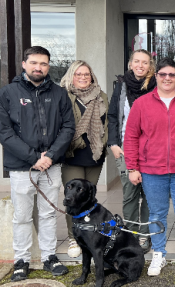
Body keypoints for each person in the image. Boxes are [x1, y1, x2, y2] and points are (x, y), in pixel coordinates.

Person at [0, 46, 75, 282]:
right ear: (24, 64)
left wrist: (50, 155)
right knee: (22, 216)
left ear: (48, 66)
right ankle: (22, 260)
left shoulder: (59, 94)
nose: (38, 67)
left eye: (43, 64)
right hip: (22, 167)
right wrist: (33, 158)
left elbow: (68, 127)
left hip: (52, 165)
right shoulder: (8, 93)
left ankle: (49, 256)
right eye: (34, 63)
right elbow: (5, 133)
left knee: (48, 214)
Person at [124, 58, 175, 277]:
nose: (167, 78)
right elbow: (131, 136)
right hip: (152, 171)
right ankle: (158, 254)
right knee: (157, 214)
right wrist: (132, 167)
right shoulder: (142, 104)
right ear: (156, 76)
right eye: (163, 74)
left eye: (172, 75)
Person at [107, 49, 156, 254]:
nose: (140, 65)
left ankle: (145, 234)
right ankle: (130, 233)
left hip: (152, 149)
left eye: (145, 62)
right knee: (129, 194)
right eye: (137, 61)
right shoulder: (121, 85)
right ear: (130, 63)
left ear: (150, 66)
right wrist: (113, 143)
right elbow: (112, 116)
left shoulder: (155, 86)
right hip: (126, 148)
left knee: (148, 193)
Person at [59, 60, 109, 258]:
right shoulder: (63, 96)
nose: (82, 77)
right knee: (73, 199)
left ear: (92, 76)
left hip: (95, 154)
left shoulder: (101, 95)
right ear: (71, 75)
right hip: (72, 154)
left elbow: (107, 122)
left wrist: (104, 143)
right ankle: (73, 238)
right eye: (78, 74)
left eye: (86, 74)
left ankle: (87, 232)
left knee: (87, 198)